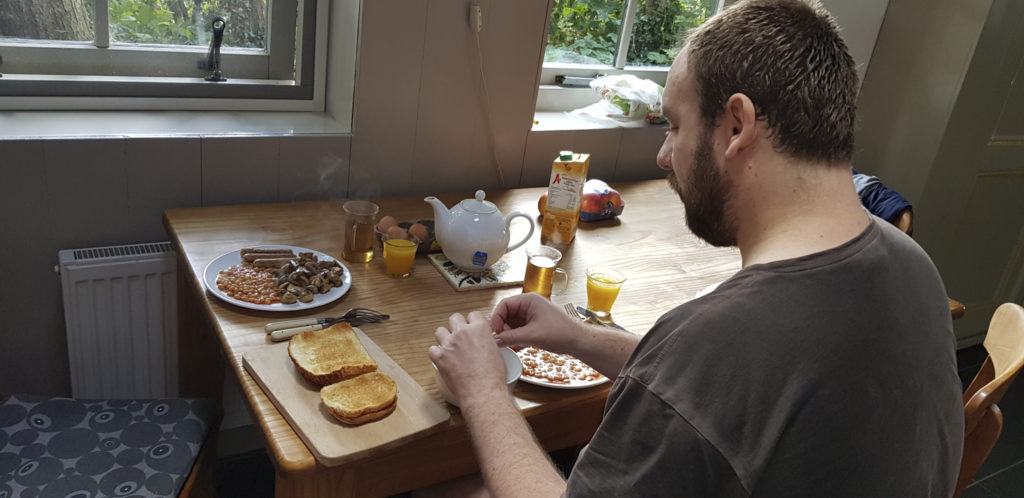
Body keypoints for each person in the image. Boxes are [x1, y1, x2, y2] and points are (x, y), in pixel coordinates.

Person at [428, 0, 964, 496]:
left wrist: (481, 388)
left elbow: (710, 374)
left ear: (736, 126)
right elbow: (725, 392)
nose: (665, 156)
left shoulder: (717, 340)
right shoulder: (911, 261)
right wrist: (578, 338)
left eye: (674, 125)